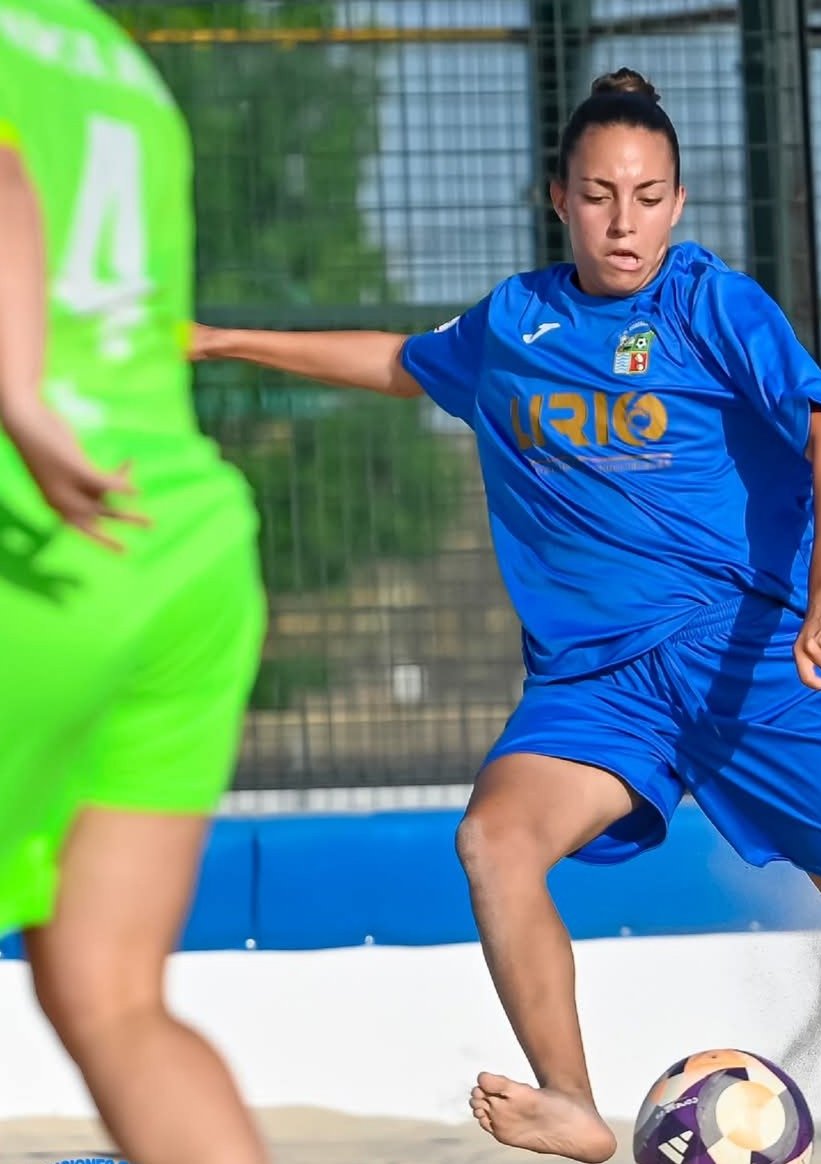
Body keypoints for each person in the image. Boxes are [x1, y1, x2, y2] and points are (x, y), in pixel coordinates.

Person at [192, 67, 821, 1164]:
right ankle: (571, 1102)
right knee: (493, 841)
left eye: (646, 196)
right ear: (558, 198)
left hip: (756, 669)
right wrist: (217, 342)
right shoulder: (516, 322)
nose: (621, 220)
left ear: (677, 203)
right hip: (601, 688)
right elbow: (404, 363)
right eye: (598, 194)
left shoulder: (712, 307)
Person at [0, 2, 269, 1162]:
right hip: (181, 540)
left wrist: (18, 396)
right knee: (113, 1000)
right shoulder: (117, 62)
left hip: (36, 535)